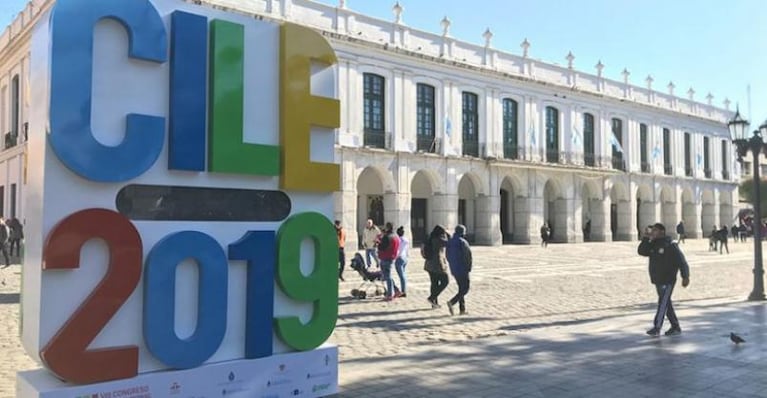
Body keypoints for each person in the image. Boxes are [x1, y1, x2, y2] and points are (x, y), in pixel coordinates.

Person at [638, 223, 690, 337]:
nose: (653, 232)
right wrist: (646, 238)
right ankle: (675, 326)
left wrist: (685, 276)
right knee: (666, 303)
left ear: (662, 232)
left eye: (655, 230)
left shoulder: (670, 245)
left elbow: (682, 261)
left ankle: (657, 327)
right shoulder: (653, 244)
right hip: (657, 279)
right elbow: (642, 251)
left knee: (662, 303)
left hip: (668, 280)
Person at [446, 224, 473, 316]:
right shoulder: (463, 242)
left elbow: (447, 255)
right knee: (465, 289)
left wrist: (452, 265)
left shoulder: (450, 242)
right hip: (463, 269)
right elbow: (468, 256)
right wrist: (468, 268)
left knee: (461, 289)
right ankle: (452, 302)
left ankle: (462, 309)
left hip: (454, 269)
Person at [423, 225, 449, 308]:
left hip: (429, 264)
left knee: (434, 283)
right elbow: (449, 243)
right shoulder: (438, 239)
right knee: (445, 281)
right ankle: (432, 298)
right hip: (437, 264)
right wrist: (447, 234)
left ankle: (434, 303)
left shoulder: (430, 238)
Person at [377, 222, 400, 301]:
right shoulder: (396, 236)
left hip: (385, 257)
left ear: (387, 228)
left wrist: (378, 243)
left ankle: (390, 294)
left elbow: (382, 247)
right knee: (388, 276)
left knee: (388, 277)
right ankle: (396, 290)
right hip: (392, 257)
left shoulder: (387, 237)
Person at [394, 226, 409, 298]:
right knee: (403, 274)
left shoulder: (398, 240)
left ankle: (403, 291)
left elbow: (397, 250)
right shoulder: (406, 240)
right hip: (405, 258)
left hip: (399, 258)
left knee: (401, 275)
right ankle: (404, 289)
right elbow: (407, 249)